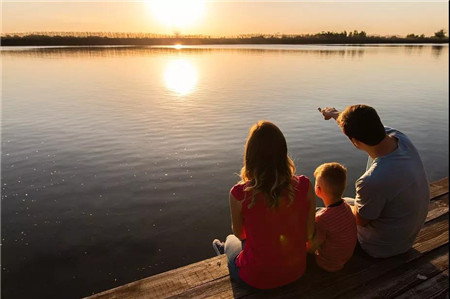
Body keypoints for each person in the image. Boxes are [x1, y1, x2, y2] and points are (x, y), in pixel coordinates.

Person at [212, 120, 316, 289]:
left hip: (256, 279)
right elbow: (309, 233)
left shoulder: (238, 194)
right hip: (296, 271)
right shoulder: (305, 185)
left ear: (250, 157)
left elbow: (240, 234)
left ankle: (223, 250)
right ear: (283, 152)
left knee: (231, 240)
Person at [318, 105, 429, 258]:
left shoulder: (372, 180)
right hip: (406, 237)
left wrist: (335, 205)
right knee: (344, 203)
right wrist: (333, 114)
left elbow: (360, 220)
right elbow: (357, 122)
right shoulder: (400, 138)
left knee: (325, 213)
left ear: (355, 141)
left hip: (380, 246)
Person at [307, 162, 357, 272]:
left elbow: (313, 247)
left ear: (318, 190)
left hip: (328, 264)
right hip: (345, 257)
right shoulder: (347, 207)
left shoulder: (322, 219)